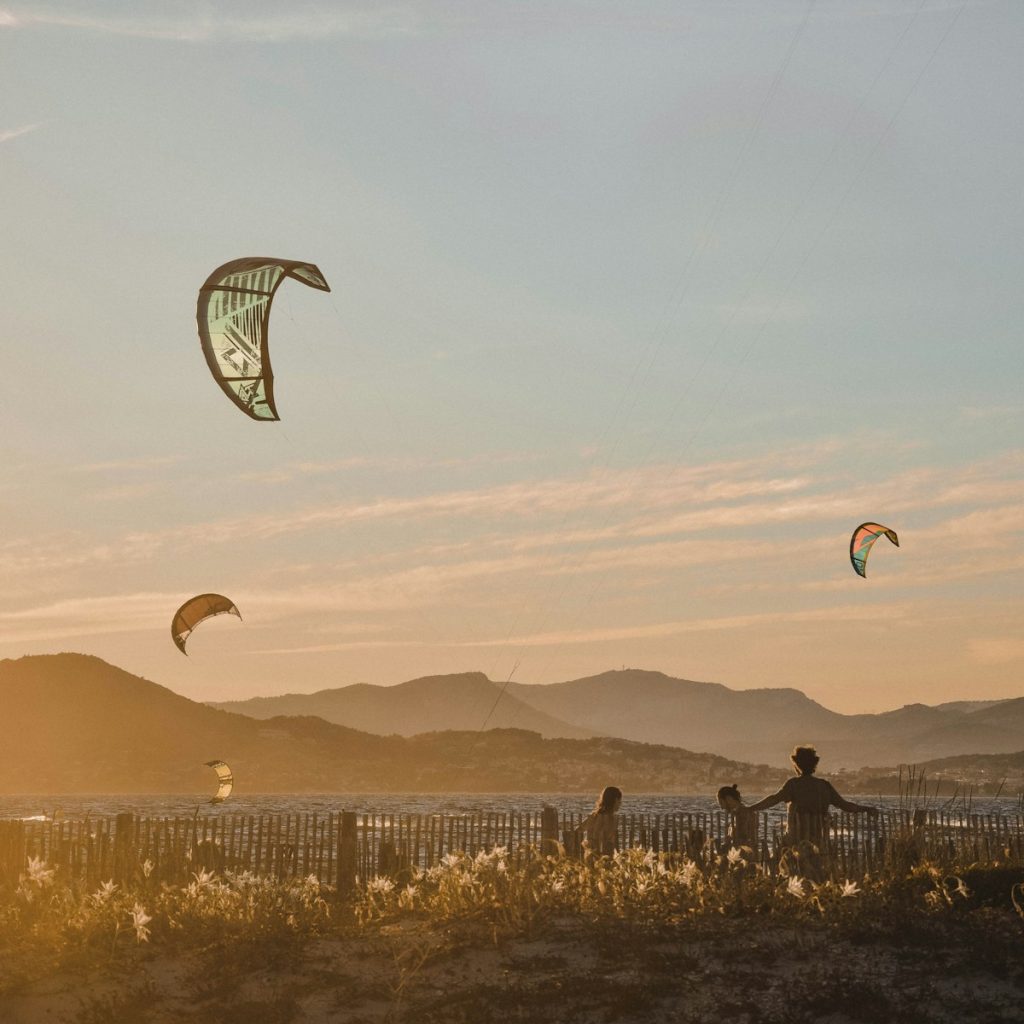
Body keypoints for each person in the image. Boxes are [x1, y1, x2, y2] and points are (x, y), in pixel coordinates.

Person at [747, 745, 877, 847]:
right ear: (814, 765)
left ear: (796, 765)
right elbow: (846, 806)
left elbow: (773, 799)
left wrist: (749, 809)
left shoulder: (793, 784)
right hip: (818, 841)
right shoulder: (824, 786)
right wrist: (867, 808)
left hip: (795, 841)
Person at [575, 785, 622, 857]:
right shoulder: (613, 819)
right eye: (619, 801)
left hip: (592, 854)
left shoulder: (594, 816)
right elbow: (613, 842)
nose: (620, 804)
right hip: (605, 855)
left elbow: (578, 831)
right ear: (615, 800)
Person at [716, 783, 758, 850]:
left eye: (721, 803)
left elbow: (745, 839)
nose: (722, 807)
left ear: (728, 799)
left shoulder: (743, 813)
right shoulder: (738, 813)